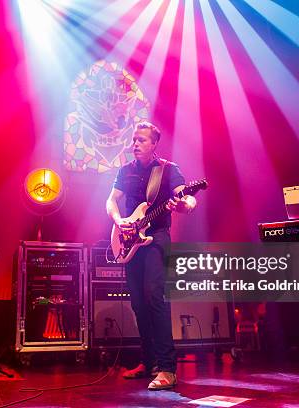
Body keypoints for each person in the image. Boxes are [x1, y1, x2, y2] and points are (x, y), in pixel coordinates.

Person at [106, 121, 197, 390]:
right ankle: (148, 362)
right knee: (138, 303)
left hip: (156, 238)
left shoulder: (168, 170)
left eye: (142, 140)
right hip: (131, 238)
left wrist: (185, 204)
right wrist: (118, 219)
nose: (136, 144)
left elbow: (187, 200)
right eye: (134, 139)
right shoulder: (125, 170)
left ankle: (167, 369)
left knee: (155, 297)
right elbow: (111, 200)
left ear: (154, 144)